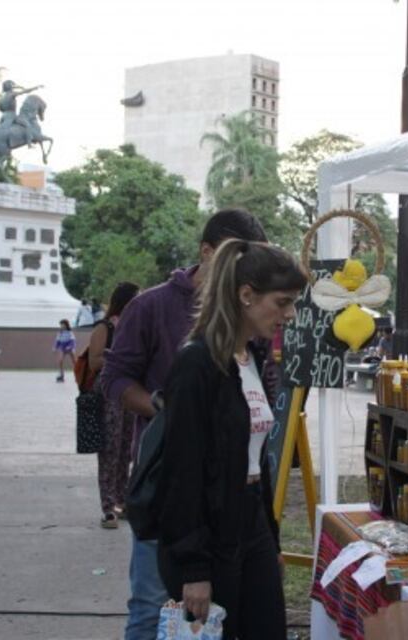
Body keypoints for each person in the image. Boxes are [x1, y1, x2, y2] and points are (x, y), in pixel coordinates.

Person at [99, 209, 269, 640]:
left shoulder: (252, 320)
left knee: (211, 617)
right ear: (206, 252)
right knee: (150, 607)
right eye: (233, 261)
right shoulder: (151, 306)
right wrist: (169, 411)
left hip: (224, 499)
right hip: (165, 483)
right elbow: (114, 377)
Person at [157, 240, 305, 639]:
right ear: (245, 295)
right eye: (282, 302)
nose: (289, 314)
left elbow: (259, 459)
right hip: (209, 531)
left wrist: (270, 539)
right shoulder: (196, 364)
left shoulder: (252, 359)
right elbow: (182, 473)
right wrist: (194, 569)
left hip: (251, 519)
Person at [87, 282, 140, 530]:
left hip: (130, 391)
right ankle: (108, 508)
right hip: (108, 391)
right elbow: (94, 361)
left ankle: (122, 501)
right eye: (135, 299)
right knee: (109, 449)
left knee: (126, 448)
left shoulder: (136, 326)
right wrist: (117, 357)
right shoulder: (104, 327)